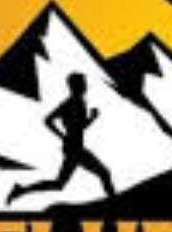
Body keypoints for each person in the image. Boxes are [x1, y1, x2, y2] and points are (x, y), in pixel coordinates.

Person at [8, 68, 115, 206]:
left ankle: (21, 190)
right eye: (83, 83)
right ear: (76, 86)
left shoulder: (78, 102)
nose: (86, 86)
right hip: (74, 148)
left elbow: (78, 127)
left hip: (75, 147)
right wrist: (63, 136)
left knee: (59, 184)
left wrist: (91, 119)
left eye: (85, 83)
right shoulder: (71, 103)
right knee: (104, 173)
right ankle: (114, 204)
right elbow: (48, 120)